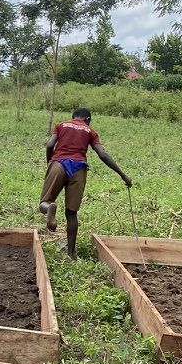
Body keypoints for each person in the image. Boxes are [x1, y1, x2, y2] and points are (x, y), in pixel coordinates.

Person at [38, 107, 131, 260]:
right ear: (87, 119)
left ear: (73, 117)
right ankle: (71, 254)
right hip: (79, 168)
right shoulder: (90, 131)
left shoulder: (61, 125)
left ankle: (49, 208)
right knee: (72, 213)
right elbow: (102, 154)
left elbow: (49, 145)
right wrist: (123, 175)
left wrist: (50, 163)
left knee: (44, 202)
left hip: (59, 163)